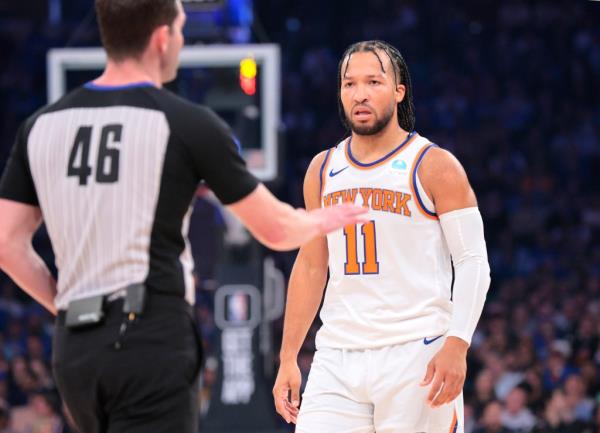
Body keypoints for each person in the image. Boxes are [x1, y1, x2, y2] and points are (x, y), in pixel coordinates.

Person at [0, 1, 367, 432]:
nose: (180, 40)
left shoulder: (41, 126)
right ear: (161, 39)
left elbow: (8, 245)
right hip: (150, 335)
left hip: (75, 349)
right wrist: (326, 218)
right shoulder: (186, 123)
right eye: (179, 29)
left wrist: (65, 308)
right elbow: (276, 228)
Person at [273, 40, 491, 433]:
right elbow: (310, 265)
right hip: (338, 355)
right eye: (349, 84)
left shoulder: (435, 165)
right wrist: (289, 355)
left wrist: (457, 343)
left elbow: (474, 261)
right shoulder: (322, 169)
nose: (359, 94)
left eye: (373, 81)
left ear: (398, 90)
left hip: (417, 352)